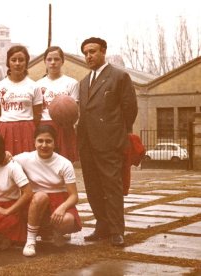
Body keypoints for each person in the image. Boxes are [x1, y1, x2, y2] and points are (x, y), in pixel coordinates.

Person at [77, 37, 138, 246]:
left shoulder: (119, 76)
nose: (88, 56)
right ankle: (101, 226)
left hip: (110, 143)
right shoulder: (84, 82)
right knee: (93, 187)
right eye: (85, 53)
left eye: (92, 51)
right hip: (87, 144)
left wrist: (117, 136)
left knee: (112, 187)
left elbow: (130, 109)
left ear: (103, 51)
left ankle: (116, 230)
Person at [14, 125, 82, 257]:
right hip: (36, 202)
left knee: (67, 220)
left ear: (55, 143)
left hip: (59, 201)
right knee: (40, 196)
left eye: (48, 141)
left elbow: (74, 196)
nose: (44, 145)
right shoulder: (24, 158)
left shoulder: (64, 163)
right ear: (34, 142)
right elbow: (5, 160)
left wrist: (62, 208)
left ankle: (54, 233)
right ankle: (31, 240)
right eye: (40, 141)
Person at [0, 45, 43, 155]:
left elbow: (37, 114)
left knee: (28, 164)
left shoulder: (34, 86)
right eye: (13, 60)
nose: (17, 63)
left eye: (21, 60)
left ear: (26, 62)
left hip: (27, 129)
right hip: (5, 128)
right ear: (8, 62)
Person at [36, 46, 79, 162]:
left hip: (64, 125)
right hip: (45, 125)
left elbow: (74, 110)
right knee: (45, 162)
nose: (53, 63)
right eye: (49, 59)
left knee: (64, 162)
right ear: (44, 62)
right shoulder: (37, 85)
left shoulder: (72, 83)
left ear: (62, 61)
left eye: (57, 59)